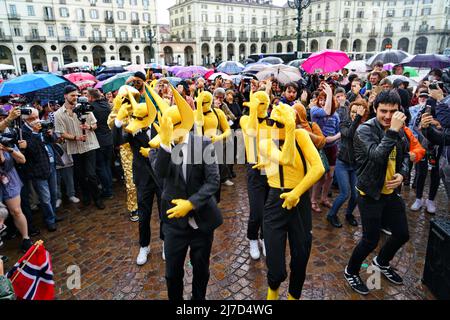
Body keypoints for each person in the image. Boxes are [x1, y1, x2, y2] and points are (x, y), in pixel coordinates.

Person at [151, 85, 222, 301]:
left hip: (202, 222)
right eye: (170, 126)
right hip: (173, 224)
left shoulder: (203, 144)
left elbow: (213, 181)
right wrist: (164, 144)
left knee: (201, 270)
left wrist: (191, 204)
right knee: (172, 274)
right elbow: (160, 174)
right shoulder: (159, 147)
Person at [344, 90, 410, 295]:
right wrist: (392, 131)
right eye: (383, 111)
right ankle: (351, 270)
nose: (388, 116)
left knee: (402, 234)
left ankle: (381, 262)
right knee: (370, 240)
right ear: (375, 109)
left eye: (393, 111)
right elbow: (377, 157)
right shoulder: (365, 130)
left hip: (390, 192)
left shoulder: (398, 129)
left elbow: (406, 156)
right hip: (370, 194)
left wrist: (402, 174)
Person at [257, 103, 324, 300]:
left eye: (281, 124)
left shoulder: (301, 136)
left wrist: (297, 193)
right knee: (275, 265)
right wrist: (286, 129)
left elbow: (318, 169)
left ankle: (293, 296)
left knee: (301, 258)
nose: (274, 127)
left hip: (300, 202)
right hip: (275, 202)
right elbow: (285, 159)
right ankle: (272, 294)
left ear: (293, 123)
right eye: (272, 122)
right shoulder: (265, 140)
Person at [116, 85, 162, 265]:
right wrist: (119, 122)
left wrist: (152, 153)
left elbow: (171, 148)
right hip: (143, 178)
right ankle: (145, 246)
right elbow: (118, 141)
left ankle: (166, 243)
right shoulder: (132, 127)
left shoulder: (159, 124)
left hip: (160, 177)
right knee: (144, 216)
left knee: (164, 214)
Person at [54, 85, 105, 210]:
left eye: (77, 95)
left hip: (90, 145)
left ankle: (97, 198)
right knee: (81, 176)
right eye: (73, 95)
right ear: (65, 96)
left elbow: (95, 124)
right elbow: (61, 133)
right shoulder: (59, 114)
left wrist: (89, 127)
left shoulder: (84, 107)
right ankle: (86, 197)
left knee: (91, 174)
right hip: (75, 148)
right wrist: (76, 137)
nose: (76, 97)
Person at [326, 100, 369, 228]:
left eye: (358, 112)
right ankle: (331, 215)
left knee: (356, 195)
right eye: (353, 112)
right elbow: (349, 134)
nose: (354, 115)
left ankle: (349, 214)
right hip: (342, 164)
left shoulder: (366, 126)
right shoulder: (344, 123)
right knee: (345, 193)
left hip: (355, 165)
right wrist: (358, 118)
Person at [240, 91, 271, 260]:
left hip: (271, 167)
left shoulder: (271, 121)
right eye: (260, 103)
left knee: (268, 210)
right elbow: (251, 132)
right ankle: (252, 238)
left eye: (265, 103)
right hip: (254, 169)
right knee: (256, 211)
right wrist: (252, 111)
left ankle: (264, 237)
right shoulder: (245, 119)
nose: (263, 106)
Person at [21, 108, 61, 232]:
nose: (35, 120)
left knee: (54, 193)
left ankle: (52, 216)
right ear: (25, 120)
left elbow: (54, 140)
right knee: (45, 198)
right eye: (32, 118)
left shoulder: (42, 124)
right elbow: (31, 150)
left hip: (50, 164)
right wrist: (35, 133)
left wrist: (50, 133)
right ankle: (49, 220)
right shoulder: (23, 132)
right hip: (38, 169)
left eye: (37, 116)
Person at [108, 88, 139, 222]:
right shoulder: (116, 113)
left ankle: (143, 203)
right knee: (131, 182)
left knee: (143, 180)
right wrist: (119, 113)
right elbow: (111, 125)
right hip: (126, 151)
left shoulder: (137, 110)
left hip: (139, 149)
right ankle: (133, 208)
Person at [310, 82, 341, 213]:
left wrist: (334, 138)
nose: (322, 102)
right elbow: (326, 110)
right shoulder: (315, 111)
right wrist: (328, 93)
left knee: (330, 175)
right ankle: (313, 200)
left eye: (325, 100)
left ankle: (324, 198)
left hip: (332, 147)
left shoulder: (336, 115)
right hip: (319, 148)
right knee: (320, 175)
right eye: (320, 99)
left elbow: (340, 131)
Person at [0, 140, 32, 252]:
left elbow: (22, 160)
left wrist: (8, 149)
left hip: (9, 181)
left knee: (16, 211)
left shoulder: (5, 141)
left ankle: (26, 238)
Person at [87, 88, 114, 199]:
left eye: (88, 96)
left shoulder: (92, 108)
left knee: (101, 166)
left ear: (91, 97)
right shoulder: (106, 105)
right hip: (109, 138)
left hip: (99, 140)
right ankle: (109, 188)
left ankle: (107, 191)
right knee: (107, 165)